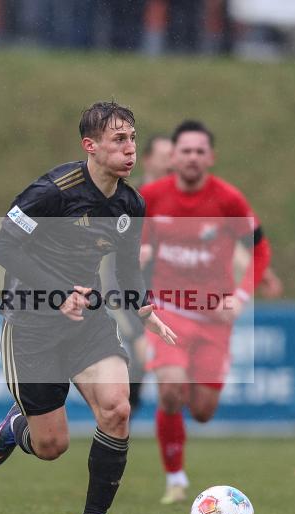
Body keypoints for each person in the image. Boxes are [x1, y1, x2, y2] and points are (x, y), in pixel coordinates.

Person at [0, 101, 176, 514]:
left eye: (133, 139)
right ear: (90, 147)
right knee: (52, 446)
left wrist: (145, 310)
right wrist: (58, 293)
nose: (130, 150)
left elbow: (128, 271)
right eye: (119, 140)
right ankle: (19, 426)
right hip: (30, 324)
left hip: (87, 322)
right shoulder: (53, 191)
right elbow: (4, 248)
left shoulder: (131, 203)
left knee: (117, 407)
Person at [140, 120, 280, 504]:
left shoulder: (228, 200)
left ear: (211, 157)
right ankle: (176, 478)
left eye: (200, 151)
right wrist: (137, 255)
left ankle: (181, 424)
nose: (192, 157)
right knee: (170, 390)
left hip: (213, 320)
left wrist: (241, 296)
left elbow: (260, 250)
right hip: (166, 312)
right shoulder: (151, 196)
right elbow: (129, 242)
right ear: (174, 156)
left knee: (201, 411)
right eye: (185, 150)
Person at [99, 134, 174, 415]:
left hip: (163, 291)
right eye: (165, 155)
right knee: (144, 353)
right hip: (123, 288)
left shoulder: (178, 201)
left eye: (173, 156)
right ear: (149, 159)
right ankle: (120, 413)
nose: (171, 161)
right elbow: (104, 237)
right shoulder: (129, 197)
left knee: (154, 362)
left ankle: (123, 413)